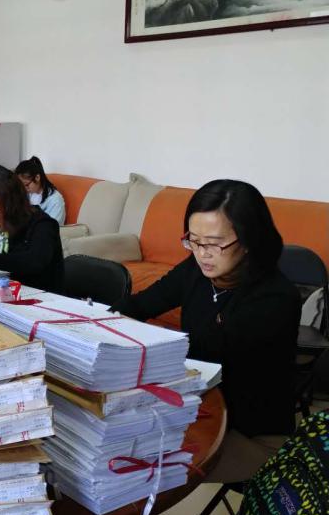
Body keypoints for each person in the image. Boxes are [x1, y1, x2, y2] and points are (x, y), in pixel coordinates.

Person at [114, 179, 300, 479]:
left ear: (250, 240)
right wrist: (101, 322)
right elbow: (140, 305)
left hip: (246, 433)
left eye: (214, 243)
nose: (202, 253)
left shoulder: (275, 299)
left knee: (130, 466)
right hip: (196, 408)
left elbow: (217, 373)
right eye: (194, 240)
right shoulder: (197, 270)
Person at [0, 165, 63, 292]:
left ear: (11, 203)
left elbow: (34, 261)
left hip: (42, 297)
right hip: (3, 295)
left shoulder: (43, 225)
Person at [15, 156, 66, 225]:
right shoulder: (28, 194)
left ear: (37, 177)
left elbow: (52, 227)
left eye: (26, 185)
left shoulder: (55, 200)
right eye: (21, 186)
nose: (24, 189)